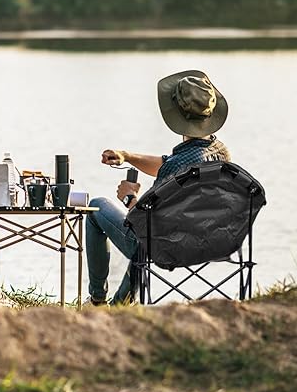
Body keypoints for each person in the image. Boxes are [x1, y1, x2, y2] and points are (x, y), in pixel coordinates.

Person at [86, 70, 231, 306]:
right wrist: (127, 156)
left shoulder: (178, 165)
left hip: (165, 245)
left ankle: (98, 300)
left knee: (97, 208)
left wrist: (129, 197)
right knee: (145, 245)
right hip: (210, 241)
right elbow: (166, 164)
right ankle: (119, 305)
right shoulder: (221, 153)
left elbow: (145, 220)